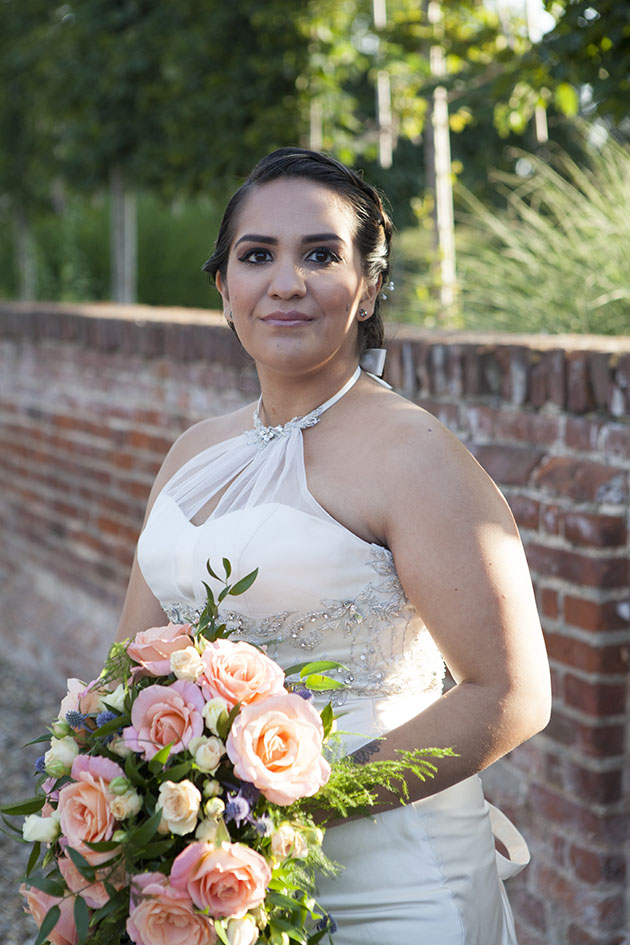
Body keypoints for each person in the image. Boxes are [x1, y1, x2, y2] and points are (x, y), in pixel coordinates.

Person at [115, 147, 551, 944]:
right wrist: (125, 802)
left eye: (321, 255)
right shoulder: (192, 455)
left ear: (369, 285)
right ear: (223, 287)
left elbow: (511, 692)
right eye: (258, 256)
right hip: (213, 872)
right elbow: (131, 668)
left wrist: (293, 802)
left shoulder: (415, 454)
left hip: (393, 886)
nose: (287, 282)